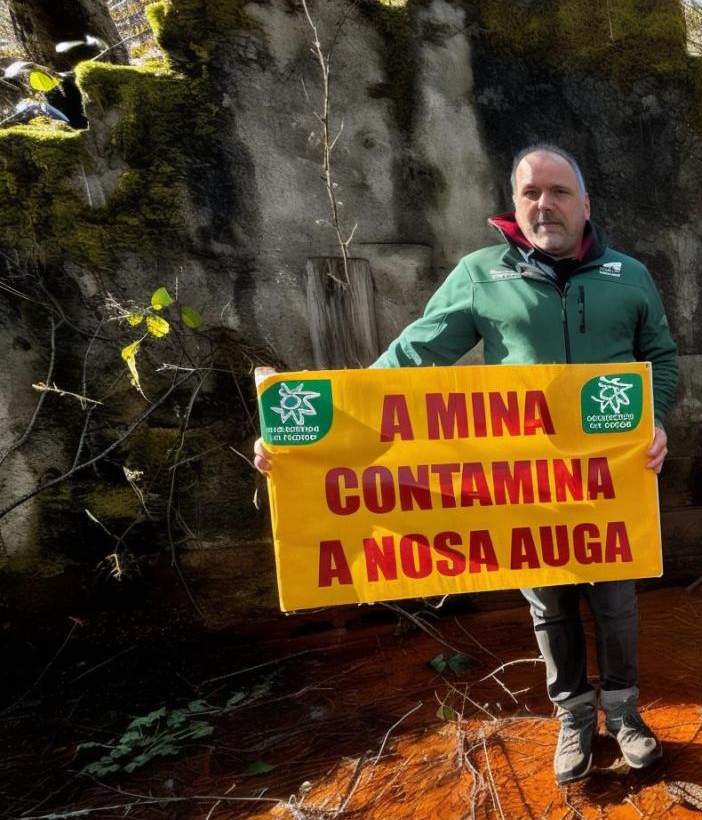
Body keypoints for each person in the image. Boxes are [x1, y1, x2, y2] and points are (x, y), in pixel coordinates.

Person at [254, 143, 679, 783]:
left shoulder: (630, 276)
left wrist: (655, 418)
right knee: (549, 605)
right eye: (531, 192)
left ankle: (624, 715)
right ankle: (573, 717)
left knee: (616, 602)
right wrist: (313, 440)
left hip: (609, 479)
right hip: (523, 483)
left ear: (585, 202)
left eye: (559, 192)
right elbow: (407, 362)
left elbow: (663, 359)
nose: (545, 204)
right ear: (514, 204)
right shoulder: (483, 273)